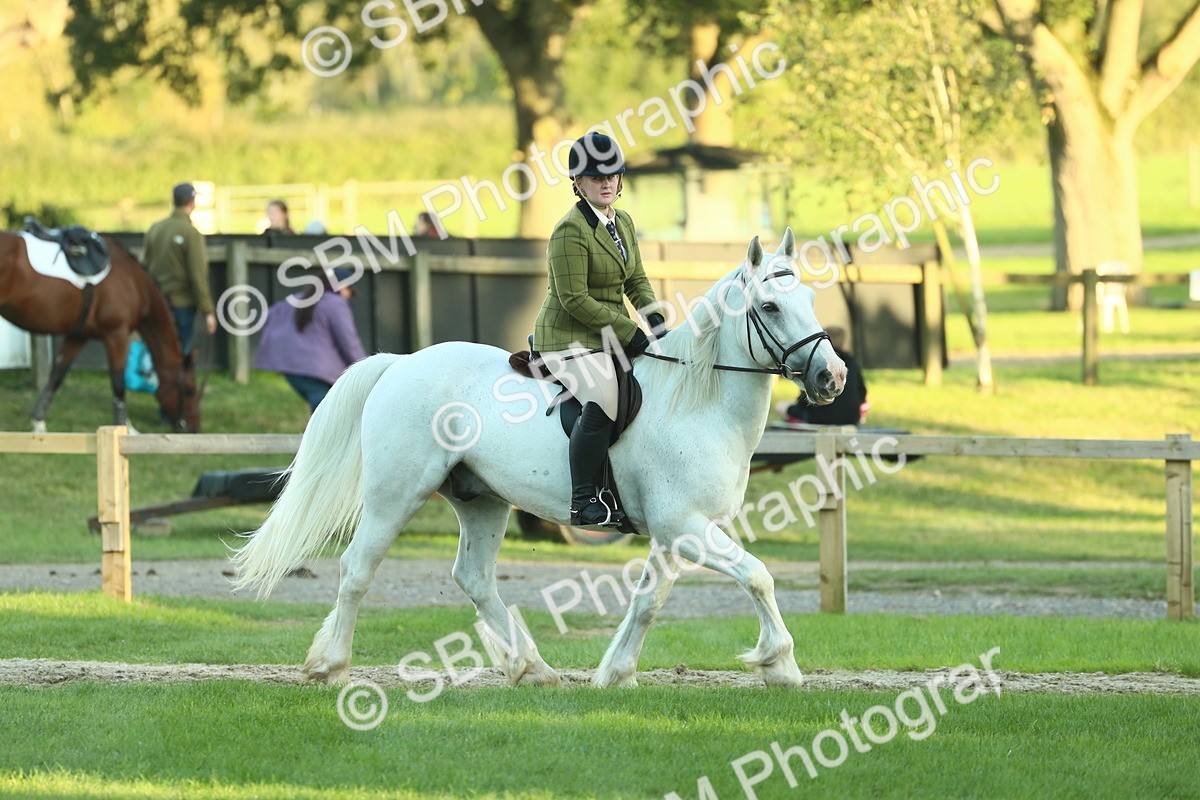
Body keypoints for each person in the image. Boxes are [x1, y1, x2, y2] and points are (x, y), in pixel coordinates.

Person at [533, 131, 664, 528]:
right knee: (606, 396)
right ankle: (583, 500)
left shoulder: (622, 222)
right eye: (595, 177)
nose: (606, 183)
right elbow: (574, 299)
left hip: (607, 336)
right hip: (567, 338)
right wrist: (630, 331)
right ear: (577, 182)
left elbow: (636, 280)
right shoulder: (570, 230)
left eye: (612, 175)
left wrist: (657, 323)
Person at [254, 267, 367, 412]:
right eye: (349, 291)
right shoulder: (335, 303)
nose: (348, 296)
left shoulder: (297, 299)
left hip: (291, 368)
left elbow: (269, 317)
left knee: (323, 408)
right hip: (317, 372)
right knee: (326, 410)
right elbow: (349, 342)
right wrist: (366, 369)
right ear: (341, 286)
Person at [144, 182, 215, 357]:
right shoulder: (191, 233)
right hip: (182, 304)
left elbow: (145, 267)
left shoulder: (155, 229)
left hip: (156, 302)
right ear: (192, 202)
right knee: (180, 355)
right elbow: (198, 276)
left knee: (158, 353)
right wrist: (208, 311)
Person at [781, 326, 868, 425]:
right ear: (843, 343)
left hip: (817, 418)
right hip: (850, 419)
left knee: (781, 406)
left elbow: (805, 398)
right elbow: (862, 394)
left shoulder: (818, 363)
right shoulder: (852, 363)